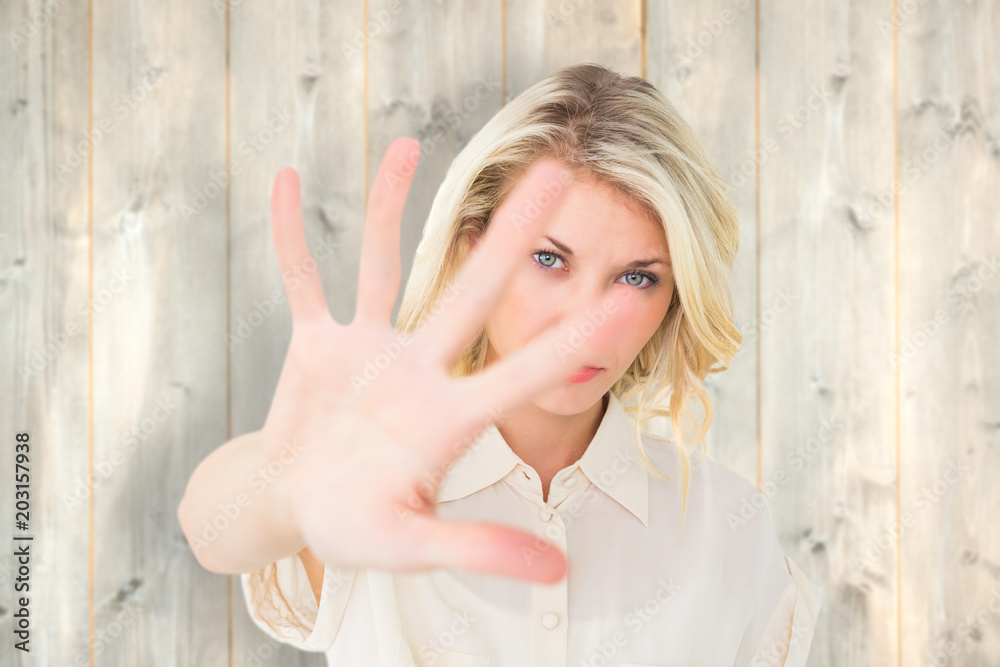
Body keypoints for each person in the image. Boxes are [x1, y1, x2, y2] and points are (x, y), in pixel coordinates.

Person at [177, 62, 822, 667]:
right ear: (472, 247)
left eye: (634, 277)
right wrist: (286, 487)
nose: (585, 321)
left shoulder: (728, 526)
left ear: (675, 294)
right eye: (549, 259)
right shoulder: (367, 477)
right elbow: (212, 529)